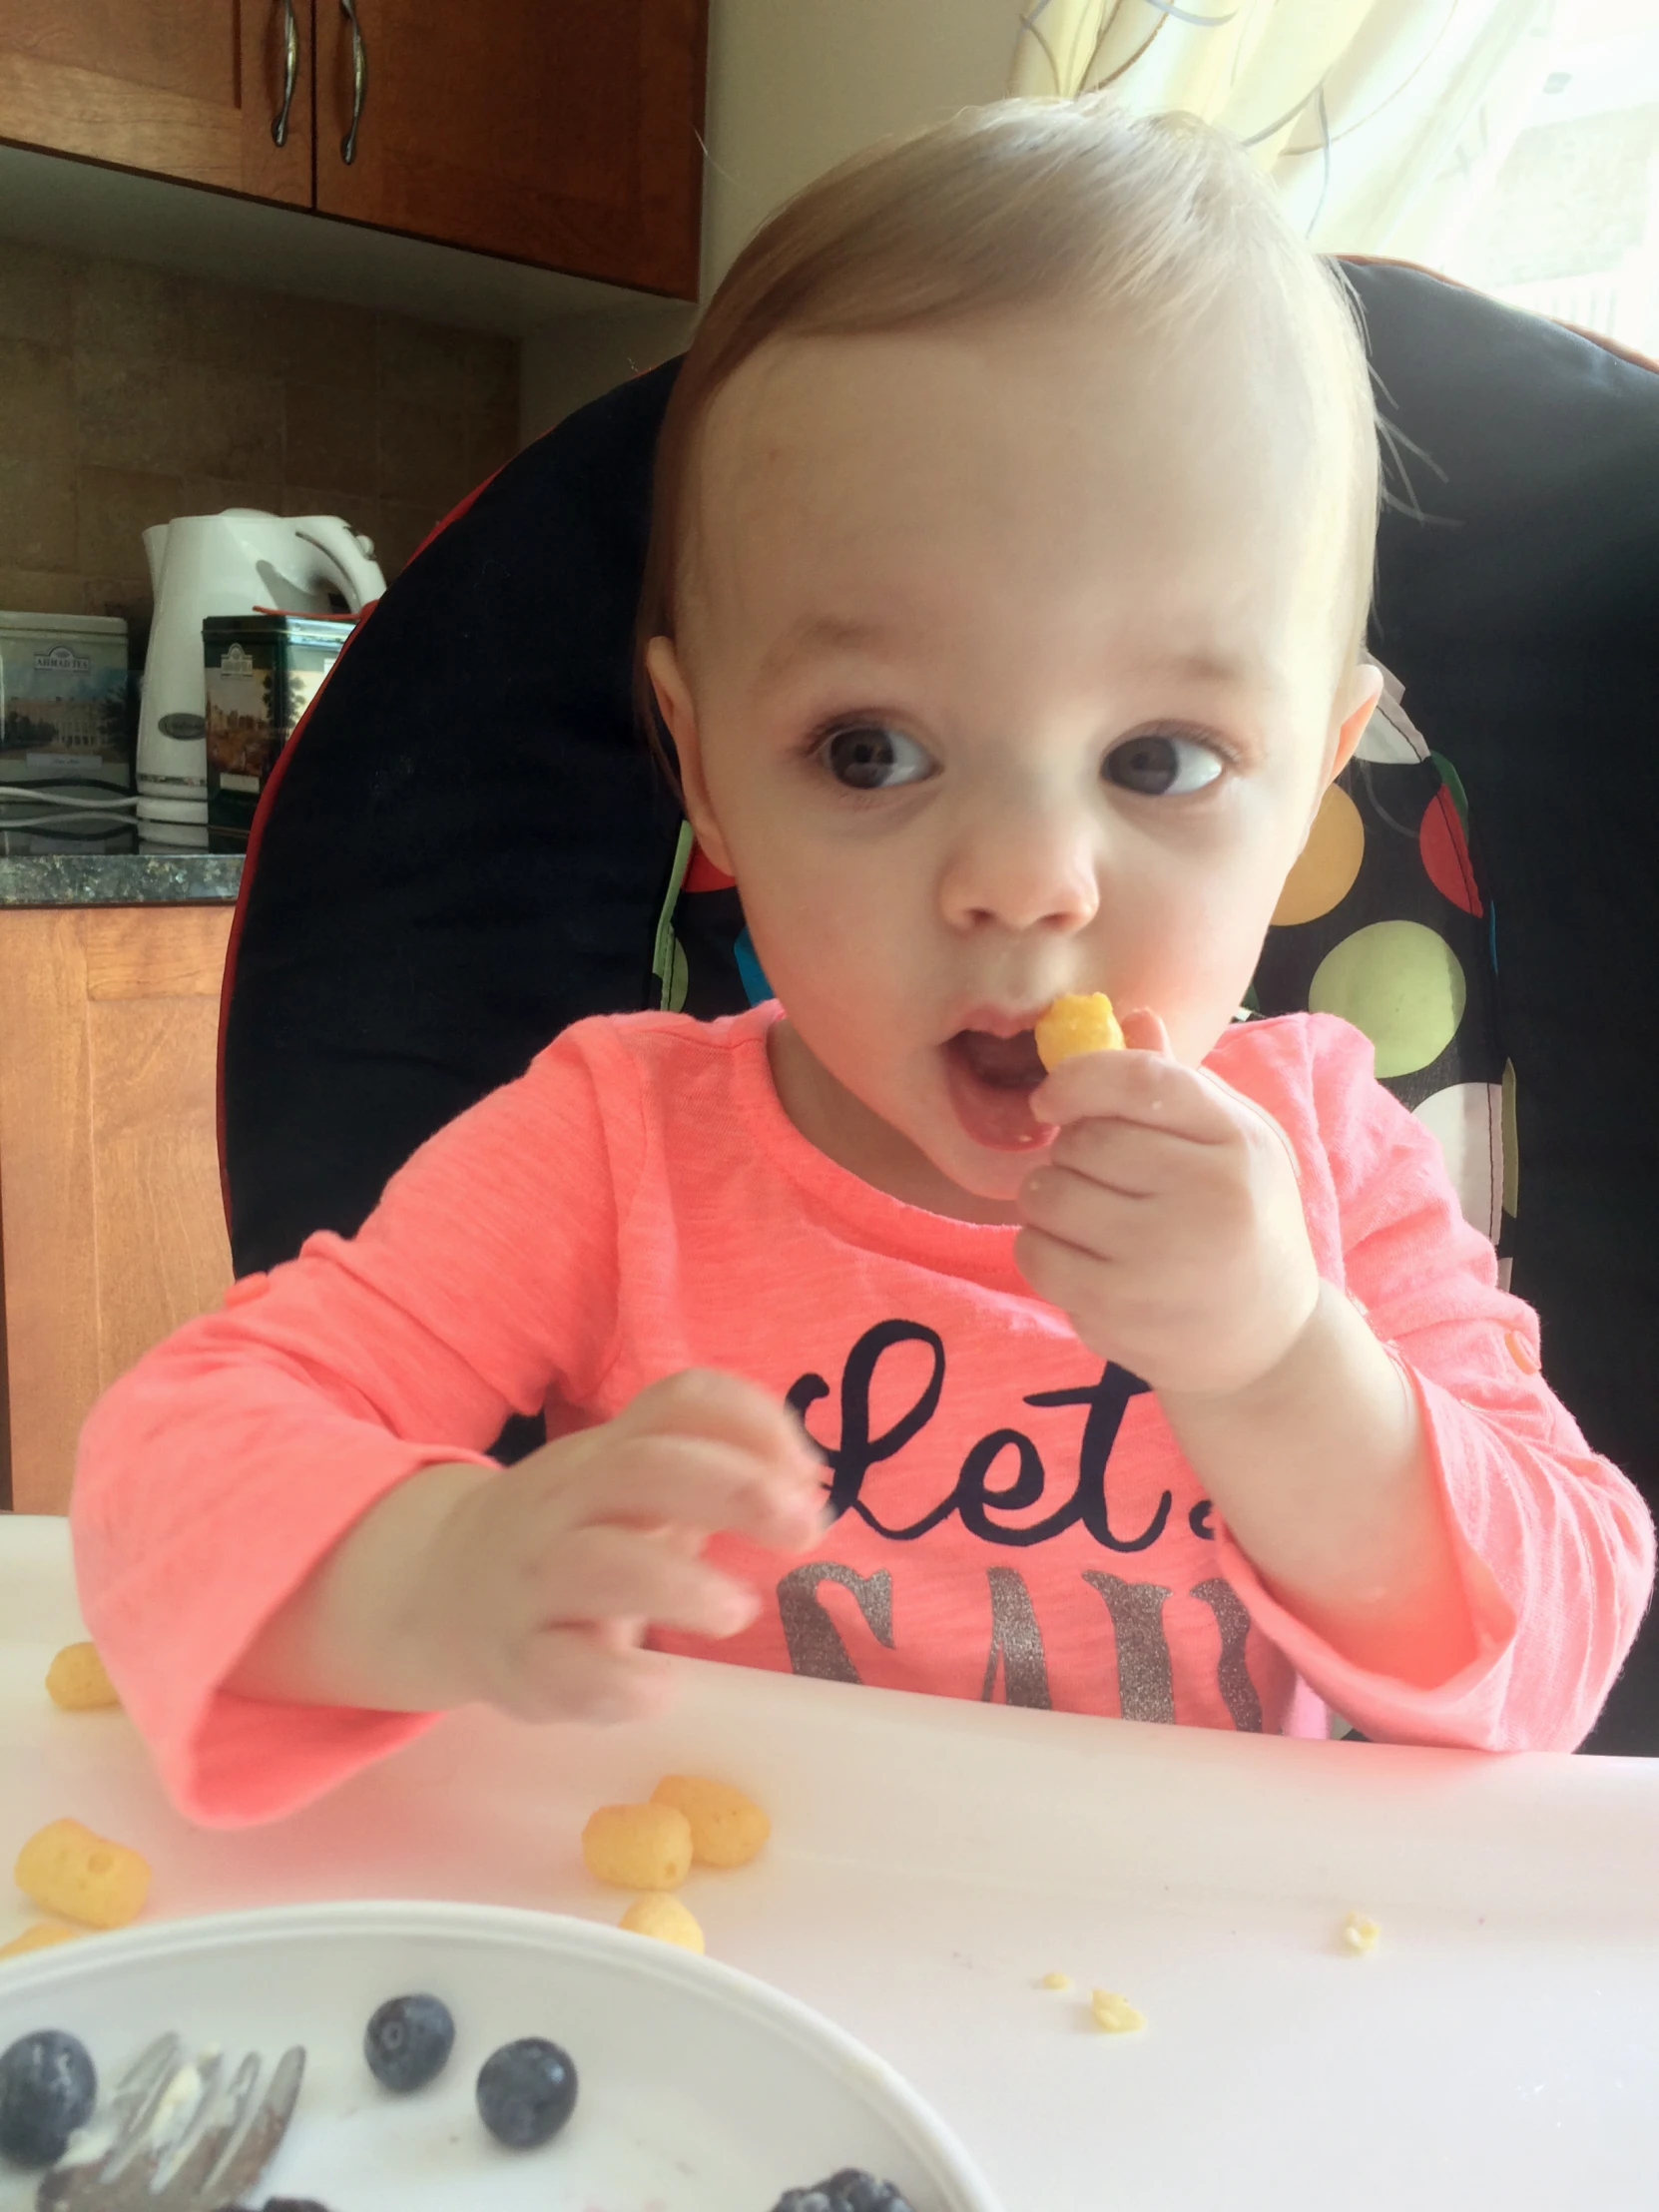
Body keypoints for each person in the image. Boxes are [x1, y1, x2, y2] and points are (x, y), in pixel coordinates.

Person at [74, 97, 1652, 1826]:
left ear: (1314, 782)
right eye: (870, 751)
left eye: (1160, 759)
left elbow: (1561, 1650)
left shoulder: (1326, 1166)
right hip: (714, 1981)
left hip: (1191, 2013)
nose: (1024, 883)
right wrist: (436, 1566)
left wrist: (1282, 1364)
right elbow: (166, 1475)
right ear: (703, 770)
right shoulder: (611, 1148)